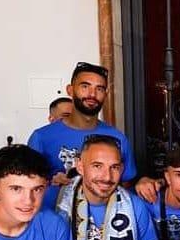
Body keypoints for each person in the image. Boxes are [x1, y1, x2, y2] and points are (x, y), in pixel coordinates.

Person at [56, 135, 157, 240]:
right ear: (80, 165)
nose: (107, 176)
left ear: (122, 168)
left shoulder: (135, 206)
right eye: (97, 166)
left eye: (114, 167)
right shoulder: (59, 201)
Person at [28, 61, 138, 210]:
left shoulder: (117, 138)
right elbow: (25, 185)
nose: (92, 94)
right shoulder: (42, 137)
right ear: (70, 90)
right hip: (52, 222)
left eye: (99, 89)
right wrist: (50, 182)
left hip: (102, 225)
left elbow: (126, 184)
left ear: (105, 94)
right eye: (85, 86)